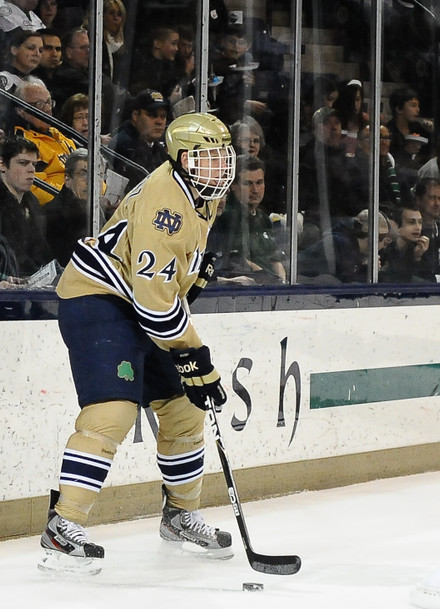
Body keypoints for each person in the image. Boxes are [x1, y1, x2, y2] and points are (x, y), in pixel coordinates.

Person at [38, 112, 237, 574]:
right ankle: (62, 527)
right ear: (183, 159)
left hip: (136, 303)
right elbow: (155, 307)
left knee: (185, 408)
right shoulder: (163, 205)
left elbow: (163, 289)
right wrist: (196, 357)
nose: (220, 167)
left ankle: (179, 515)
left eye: (222, 156)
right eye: (208, 159)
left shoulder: (199, 195)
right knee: (113, 411)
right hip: (97, 298)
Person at [209, 154, 286, 283]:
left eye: (259, 182)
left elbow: (275, 260)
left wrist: (282, 282)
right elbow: (236, 259)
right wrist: (266, 279)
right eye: (248, 184)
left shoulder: (264, 219)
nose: (255, 190)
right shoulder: (225, 217)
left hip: (272, 287)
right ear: (233, 185)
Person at [11, 77, 77, 205]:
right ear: (21, 111)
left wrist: (102, 193)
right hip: (58, 211)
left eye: (48, 102)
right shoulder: (23, 142)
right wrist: (74, 196)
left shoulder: (60, 136)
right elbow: (35, 191)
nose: (47, 109)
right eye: (39, 104)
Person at [0, 136, 51, 282]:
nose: (31, 170)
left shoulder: (32, 202)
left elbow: (41, 252)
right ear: (2, 164)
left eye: (34, 164)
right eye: (23, 163)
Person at [108, 89, 171, 186]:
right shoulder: (124, 147)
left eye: (163, 116)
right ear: (135, 115)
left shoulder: (156, 147)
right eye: (152, 115)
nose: (159, 121)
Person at [43, 146, 88, 266]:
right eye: (84, 174)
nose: (91, 180)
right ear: (67, 179)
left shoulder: (99, 209)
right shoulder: (53, 214)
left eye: (98, 174)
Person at [380, 204, 436, 283]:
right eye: (411, 222)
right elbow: (394, 280)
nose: (418, 227)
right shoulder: (385, 250)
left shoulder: (420, 247)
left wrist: (417, 258)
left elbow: (430, 283)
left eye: (420, 222)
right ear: (398, 227)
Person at [128, 25, 181, 99]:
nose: (176, 48)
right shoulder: (142, 67)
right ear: (157, 44)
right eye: (173, 43)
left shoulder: (167, 67)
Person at [0, 28, 43, 94]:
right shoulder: (3, 77)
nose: (37, 54)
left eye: (40, 50)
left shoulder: (38, 83)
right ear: (14, 50)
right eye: (31, 48)